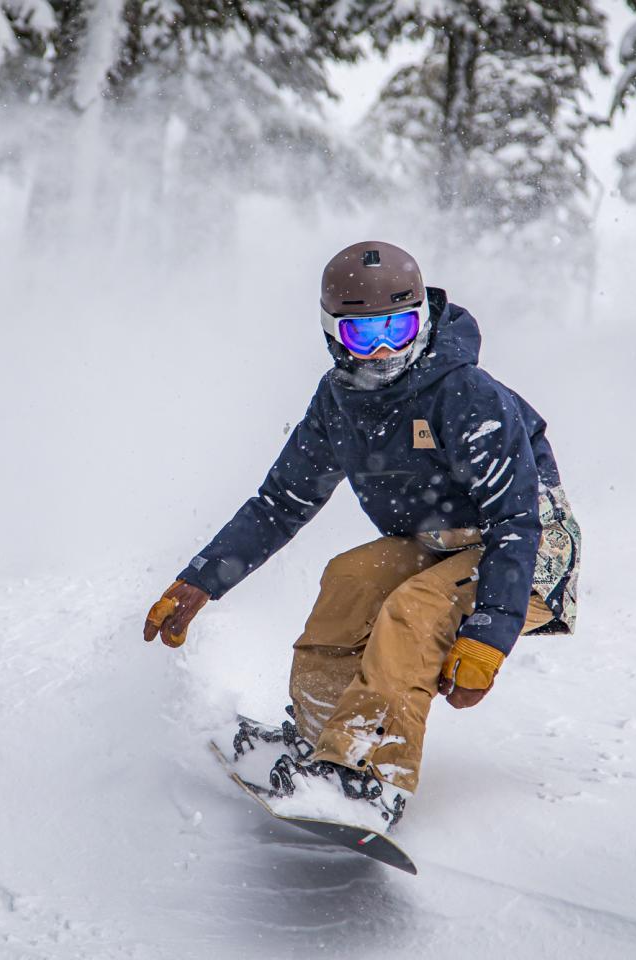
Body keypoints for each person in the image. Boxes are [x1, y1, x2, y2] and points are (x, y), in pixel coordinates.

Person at [143, 240, 581, 824]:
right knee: (349, 577)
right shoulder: (339, 401)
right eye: (362, 335)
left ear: (423, 319)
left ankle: (371, 775)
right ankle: (320, 742)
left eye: (398, 329)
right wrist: (201, 581)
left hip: (529, 550)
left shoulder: (466, 394)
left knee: (414, 612)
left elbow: (516, 522)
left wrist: (489, 637)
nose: (382, 351)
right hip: (439, 541)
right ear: (332, 335)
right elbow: (280, 502)